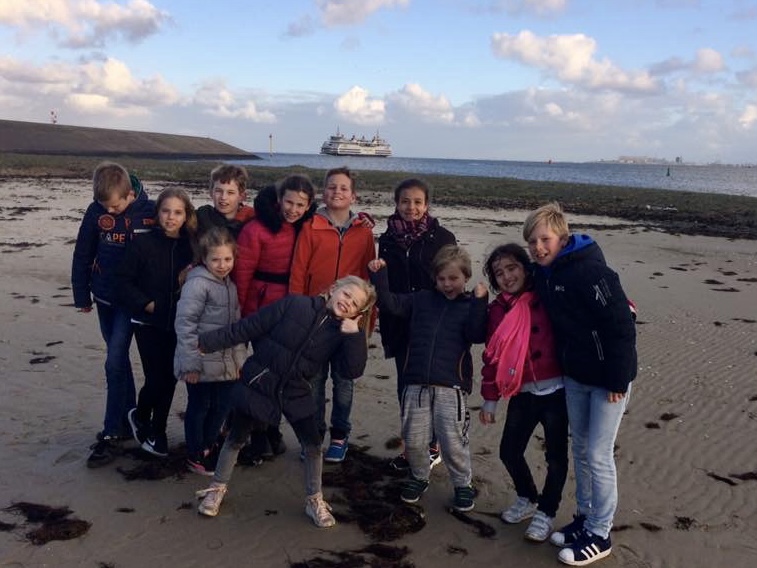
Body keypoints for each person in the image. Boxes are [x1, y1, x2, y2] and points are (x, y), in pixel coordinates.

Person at [194, 276, 377, 527]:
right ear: (333, 289)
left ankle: (314, 500)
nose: (348, 303)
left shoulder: (342, 333)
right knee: (236, 437)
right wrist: (207, 342)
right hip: (261, 380)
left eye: (355, 303)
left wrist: (354, 337)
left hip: (296, 390)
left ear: (358, 313)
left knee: (313, 445)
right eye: (346, 295)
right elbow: (250, 326)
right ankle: (216, 490)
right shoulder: (295, 304)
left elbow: (351, 371)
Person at [523, 203, 637, 566]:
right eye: (532, 242)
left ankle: (601, 533)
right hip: (575, 375)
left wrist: (618, 378)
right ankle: (584, 518)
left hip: (608, 380)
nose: (538, 247)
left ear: (563, 237)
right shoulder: (544, 273)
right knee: (581, 449)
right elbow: (517, 279)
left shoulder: (591, 272)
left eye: (545, 239)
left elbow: (621, 325)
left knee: (599, 456)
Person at [368, 245, 488, 512]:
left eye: (454, 278)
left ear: (466, 277)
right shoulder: (421, 299)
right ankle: (419, 476)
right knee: (413, 439)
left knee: (453, 441)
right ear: (434, 278)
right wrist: (379, 275)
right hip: (415, 384)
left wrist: (480, 302)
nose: (447, 284)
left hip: (451, 387)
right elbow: (389, 303)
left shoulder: (469, 305)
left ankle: (463, 484)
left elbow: (477, 334)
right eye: (441, 278)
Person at [479, 243, 568, 543]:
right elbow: (492, 356)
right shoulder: (497, 310)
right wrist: (490, 400)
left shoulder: (547, 294)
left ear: (526, 268)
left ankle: (546, 511)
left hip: (558, 391)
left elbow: (580, 310)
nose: (507, 276)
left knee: (556, 457)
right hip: (522, 392)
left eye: (512, 268)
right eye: (499, 273)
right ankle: (528, 497)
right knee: (509, 451)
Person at [289, 166, 376, 463]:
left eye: (343, 188)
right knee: (313, 382)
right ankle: (313, 437)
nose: (337, 192)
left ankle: (340, 436)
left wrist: (366, 322)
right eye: (331, 187)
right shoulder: (311, 226)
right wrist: (298, 314)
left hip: (350, 320)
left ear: (353, 195)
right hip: (316, 317)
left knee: (344, 382)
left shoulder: (364, 231)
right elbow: (298, 272)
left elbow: (368, 280)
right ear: (323, 192)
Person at [71, 161, 155, 468]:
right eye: (105, 205)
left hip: (132, 302)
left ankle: (110, 431)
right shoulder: (96, 212)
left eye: (116, 206)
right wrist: (81, 294)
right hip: (104, 297)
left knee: (113, 361)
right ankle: (128, 418)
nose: (110, 210)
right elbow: (83, 253)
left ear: (130, 194)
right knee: (118, 361)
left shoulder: (150, 211)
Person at [232, 174, 317, 463]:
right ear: (279, 199)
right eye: (289, 202)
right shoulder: (256, 229)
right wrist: (241, 315)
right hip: (260, 308)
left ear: (308, 205)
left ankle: (271, 433)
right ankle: (260, 436)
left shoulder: (307, 226)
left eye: (300, 205)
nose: (293, 209)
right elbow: (242, 274)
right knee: (261, 374)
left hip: (292, 311)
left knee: (281, 373)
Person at [376, 178, 457, 472]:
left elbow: (453, 279)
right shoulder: (387, 239)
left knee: (430, 386)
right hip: (398, 322)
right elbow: (385, 283)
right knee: (406, 388)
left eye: (417, 202)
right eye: (405, 201)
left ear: (427, 205)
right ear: (397, 203)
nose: (411, 207)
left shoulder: (443, 237)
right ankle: (412, 446)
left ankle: (432, 446)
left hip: (432, 324)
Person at [118, 188, 197, 457]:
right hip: (148, 322)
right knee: (155, 379)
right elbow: (123, 282)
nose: (170, 217)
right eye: (165, 211)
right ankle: (142, 416)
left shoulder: (192, 246)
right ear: (157, 213)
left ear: (186, 215)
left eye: (177, 212)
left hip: (179, 323)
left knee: (170, 378)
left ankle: (157, 430)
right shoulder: (142, 243)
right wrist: (146, 303)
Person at [174, 227, 247, 475]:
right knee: (200, 407)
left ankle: (209, 445)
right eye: (215, 260)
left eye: (227, 259)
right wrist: (190, 365)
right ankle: (196, 453)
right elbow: (185, 325)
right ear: (204, 259)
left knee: (222, 406)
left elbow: (236, 329)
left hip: (226, 363)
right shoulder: (197, 284)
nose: (222, 265)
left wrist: (239, 361)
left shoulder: (230, 286)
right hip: (201, 362)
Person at [195, 164, 255, 238]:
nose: (223, 197)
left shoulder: (252, 221)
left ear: (241, 197)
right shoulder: (202, 216)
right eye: (218, 191)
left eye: (230, 192)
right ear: (211, 193)